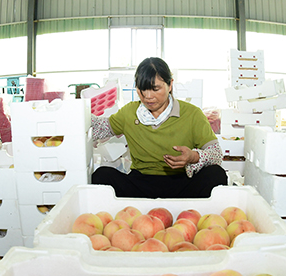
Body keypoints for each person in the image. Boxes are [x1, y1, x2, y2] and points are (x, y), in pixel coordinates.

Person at [91, 57, 227, 198]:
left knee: (216, 174)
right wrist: (76, 114)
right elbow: (100, 128)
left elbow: (216, 154)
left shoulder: (192, 114)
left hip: (182, 182)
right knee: (102, 176)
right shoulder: (129, 113)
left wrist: (193, 157)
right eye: (142, 89)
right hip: (140, 183)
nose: (148, 96)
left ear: (170, 85)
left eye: (155, 89)